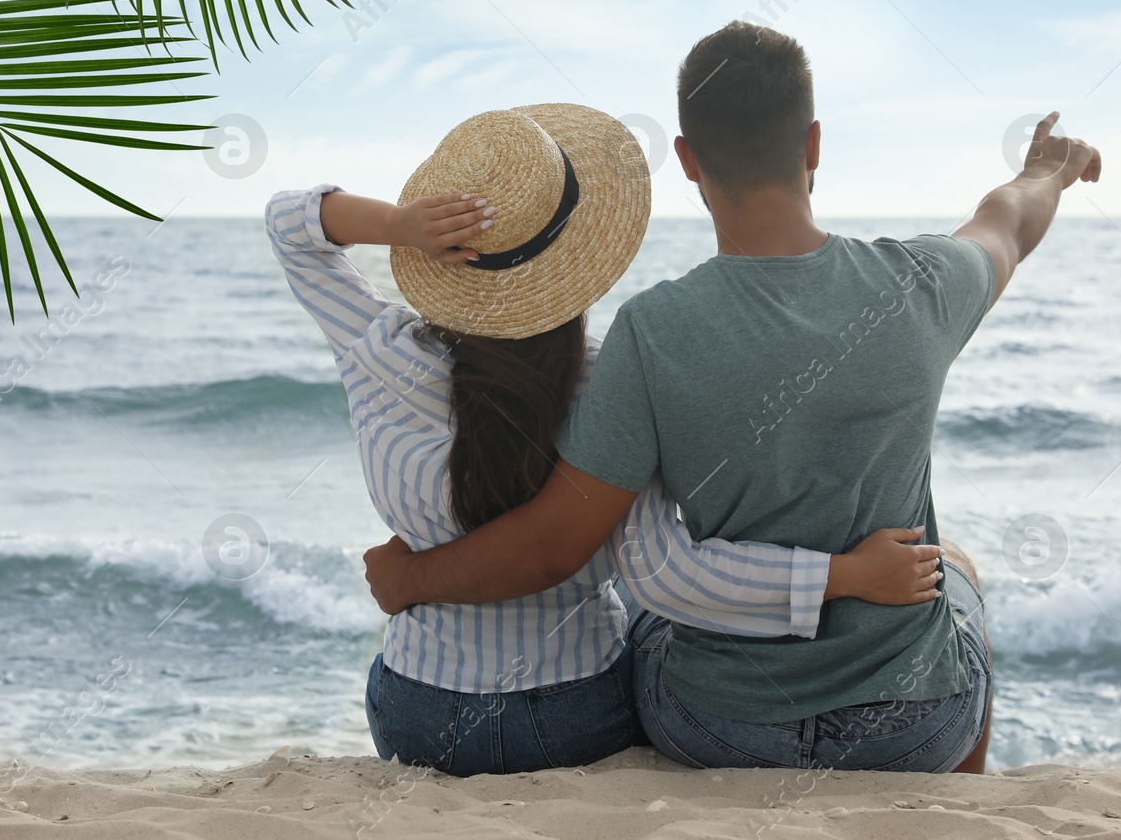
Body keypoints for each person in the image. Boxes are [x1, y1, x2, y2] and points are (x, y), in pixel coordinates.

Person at [362, 23, 1103, 775]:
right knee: (958, 573)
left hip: (716, 725)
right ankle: (955, 797)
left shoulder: (652, 331)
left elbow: (558, 542)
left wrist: (411, 579)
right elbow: (1008, 221)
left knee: (648, 607)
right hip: (907, 728)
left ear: (687, 160)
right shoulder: (922, 285)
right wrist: (1048, 168)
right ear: (813, 144)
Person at [267, 103, 941, 777]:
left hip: (418, 714)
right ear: (578, 256)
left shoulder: (376, 347)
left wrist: (400, 226)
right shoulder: (609, 381)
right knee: (657, 620)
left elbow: (289, 222)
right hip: (572, 716)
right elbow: (664, 569)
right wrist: (843, 574)